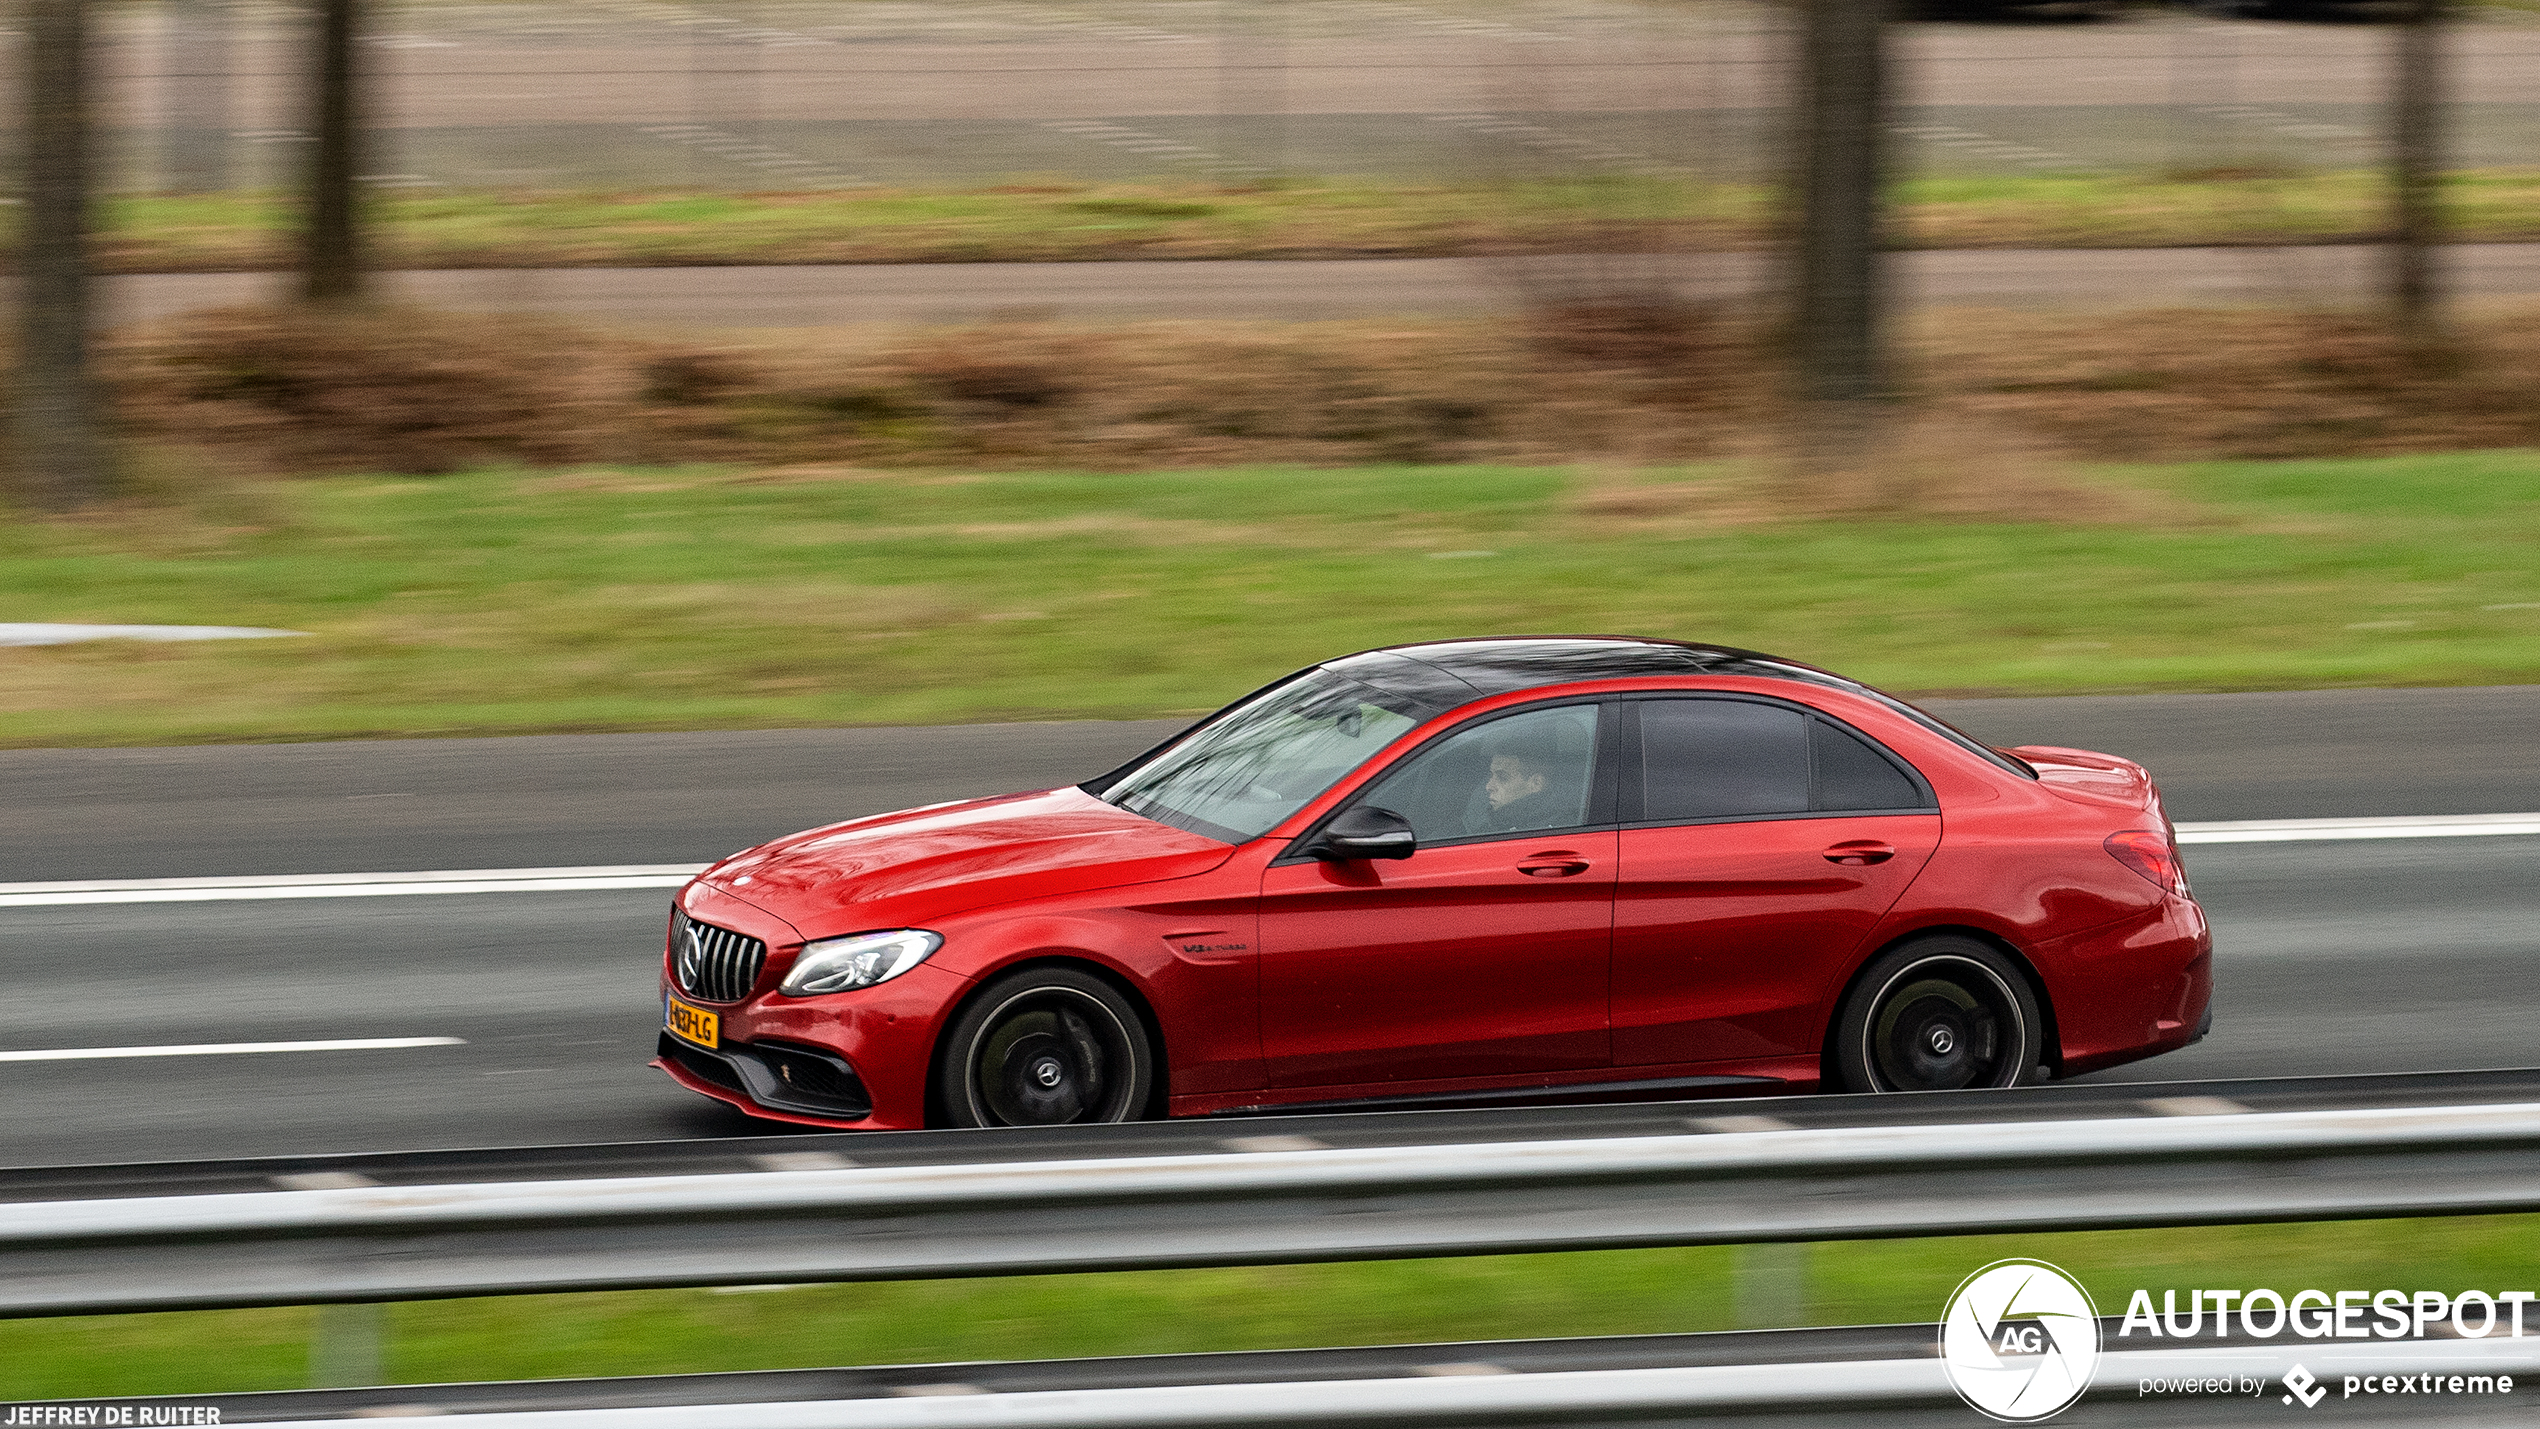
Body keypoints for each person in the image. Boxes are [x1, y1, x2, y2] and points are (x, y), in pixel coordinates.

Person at [1471, 725, 1581, 835]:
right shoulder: (1494, 827)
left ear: (1536, 783)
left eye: (1503, 778)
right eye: (1490, 776)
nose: (1489, 786)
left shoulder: (1556, 833)